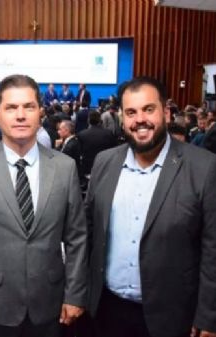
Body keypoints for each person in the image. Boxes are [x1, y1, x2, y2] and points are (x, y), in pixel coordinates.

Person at [0, 74, 88, 337]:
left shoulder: (64, 167)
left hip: (50, 304)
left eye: (28, 107)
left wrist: (75, 295)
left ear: (40, 112)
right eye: (11, 107)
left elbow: (77, 238)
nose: (20, 115)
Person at [86, 77, 216, 337]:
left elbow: (213, 249)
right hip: (106, 310)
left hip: (172, 315)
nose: (140, 120)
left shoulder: (204, 167)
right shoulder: (104, 162)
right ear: (122, 118)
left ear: (166, 113)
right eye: (131, 112)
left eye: (148, 109)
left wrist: (209, 316)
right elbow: (89, 231)